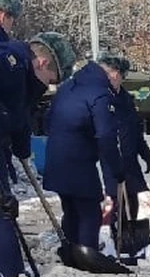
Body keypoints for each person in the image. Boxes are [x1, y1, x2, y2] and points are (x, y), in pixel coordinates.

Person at [0, 0, 75, 277]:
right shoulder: (12, 63)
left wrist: (17, 142)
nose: (47, 88)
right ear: (43, 63)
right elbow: (10, 114)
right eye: (50, 81)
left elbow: (13, 116)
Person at [44, 51, 125, 256]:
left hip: (56, 157)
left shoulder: (69, 86)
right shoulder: (100, 93)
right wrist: (117, 169)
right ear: (115, 74)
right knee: (90, 212)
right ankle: (87, 256)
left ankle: (71, 252)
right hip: (78, 160)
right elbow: (106, 136)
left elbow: (48, 119)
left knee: (71, 209)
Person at [99, 53, 150, 229]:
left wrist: (145, 153)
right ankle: (118, 237)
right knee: (116, 201)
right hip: (111, 158)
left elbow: (135, 130)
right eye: (108, 72)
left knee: (132, 199)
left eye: (116, 72)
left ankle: (130, 236)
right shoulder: (100, 99)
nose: (113, 76)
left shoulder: (126, 99)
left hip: (129, 159)